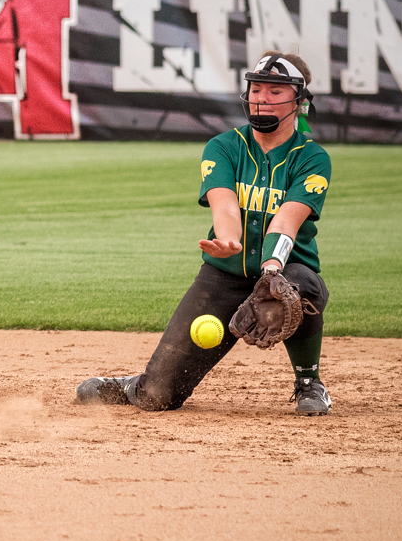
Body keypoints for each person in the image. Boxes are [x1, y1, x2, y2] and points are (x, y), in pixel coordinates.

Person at [76, 51, 332, 416]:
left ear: (301, 102)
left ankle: (310, 383)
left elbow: (287, 219)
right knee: (157, 397)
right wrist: (228, 242)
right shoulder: (224, 146)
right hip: (223, 276)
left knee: (301, 284)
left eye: (275, 92)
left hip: (286, 270)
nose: (262, 98)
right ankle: (137, 385)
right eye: (256, 89)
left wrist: (272, 268)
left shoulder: (312, 157)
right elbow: (224, 206)